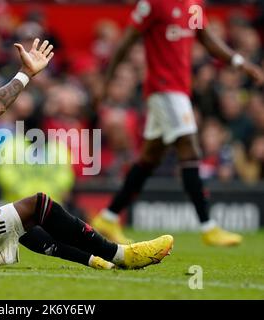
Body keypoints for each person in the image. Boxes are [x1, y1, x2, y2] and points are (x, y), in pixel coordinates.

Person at [0, 17, 173, 270]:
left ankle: (95, 260)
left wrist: (24, 73)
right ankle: (122, 254)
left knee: (24, 225)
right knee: (37, 204)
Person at [92, 0, 264, 246]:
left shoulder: (193, 5)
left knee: (149, 158)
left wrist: (239, 62)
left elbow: (206, 39)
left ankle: (108, 218)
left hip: (179, 89)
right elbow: (125, 42)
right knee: (190, 148)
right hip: (163, 87)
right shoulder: (154, 4)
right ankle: (209, 226)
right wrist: (107, 82)